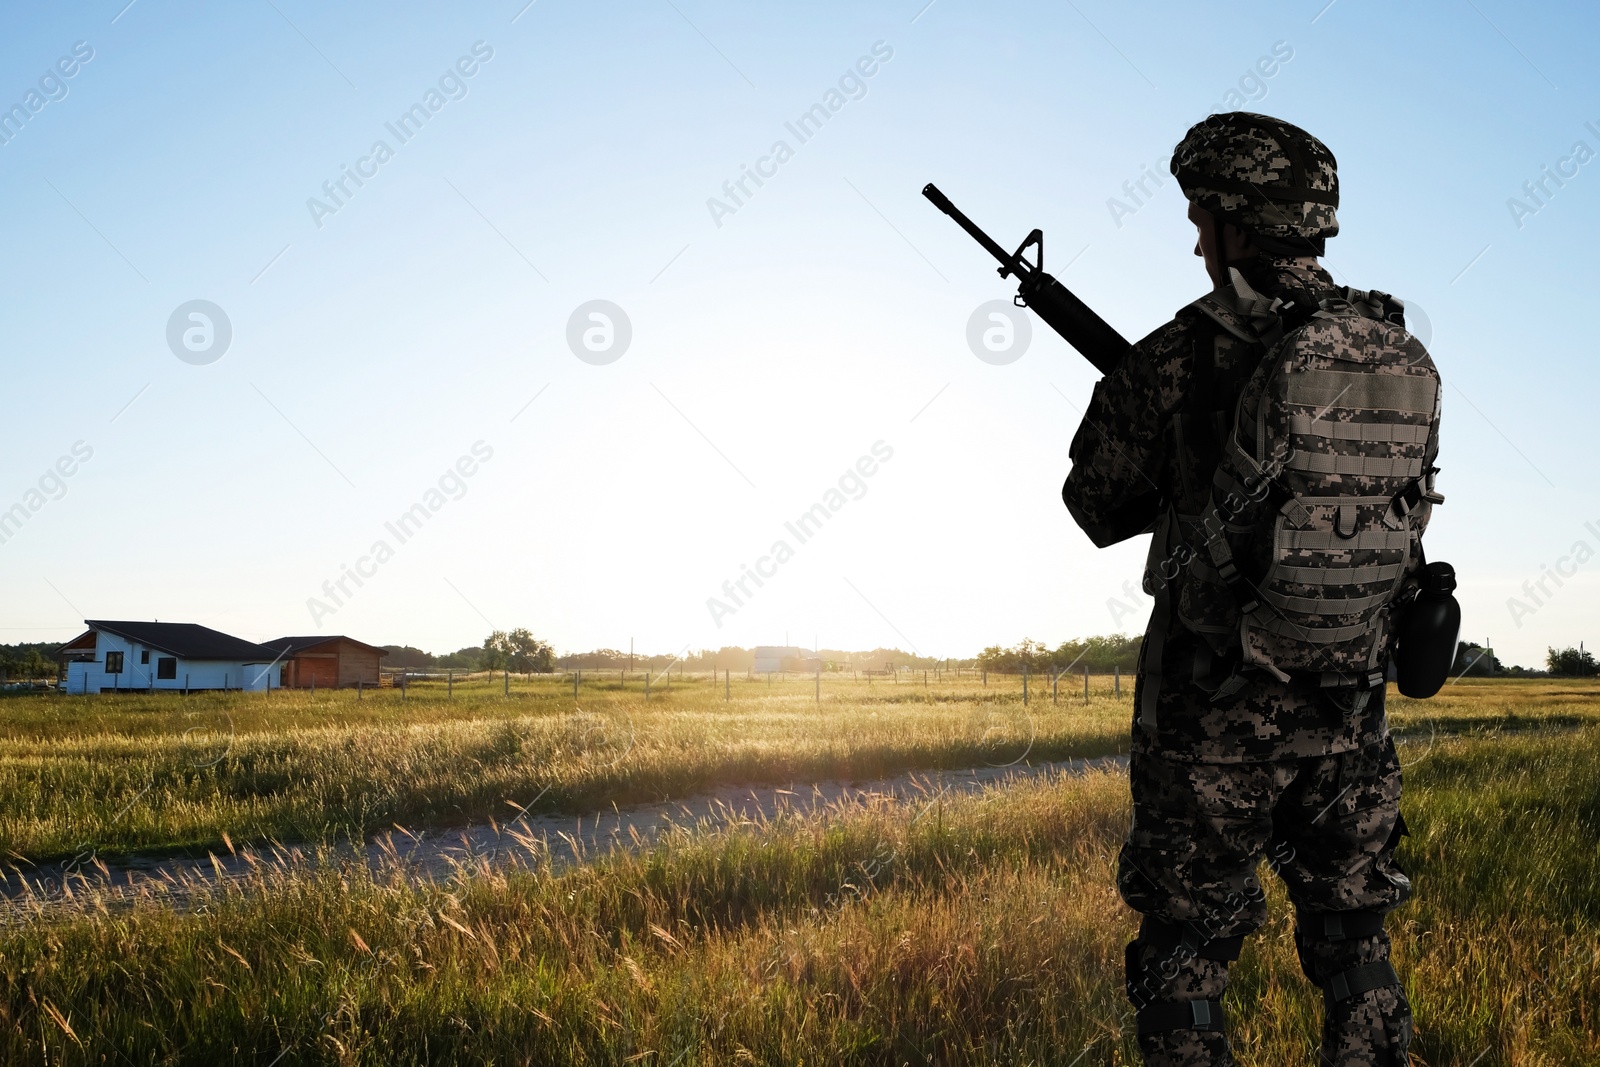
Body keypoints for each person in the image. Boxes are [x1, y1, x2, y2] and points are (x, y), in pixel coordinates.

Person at [1062, 112, 1426, 1065]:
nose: (1193, 239)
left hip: (1211, 717)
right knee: (1355, 945)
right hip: (1348, 715)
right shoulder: (1387, 345)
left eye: (1199, 217)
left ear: (1234, 220)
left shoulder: (1178, 353)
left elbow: (1093, 503)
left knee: (1186, 953)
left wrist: (1186, 469)